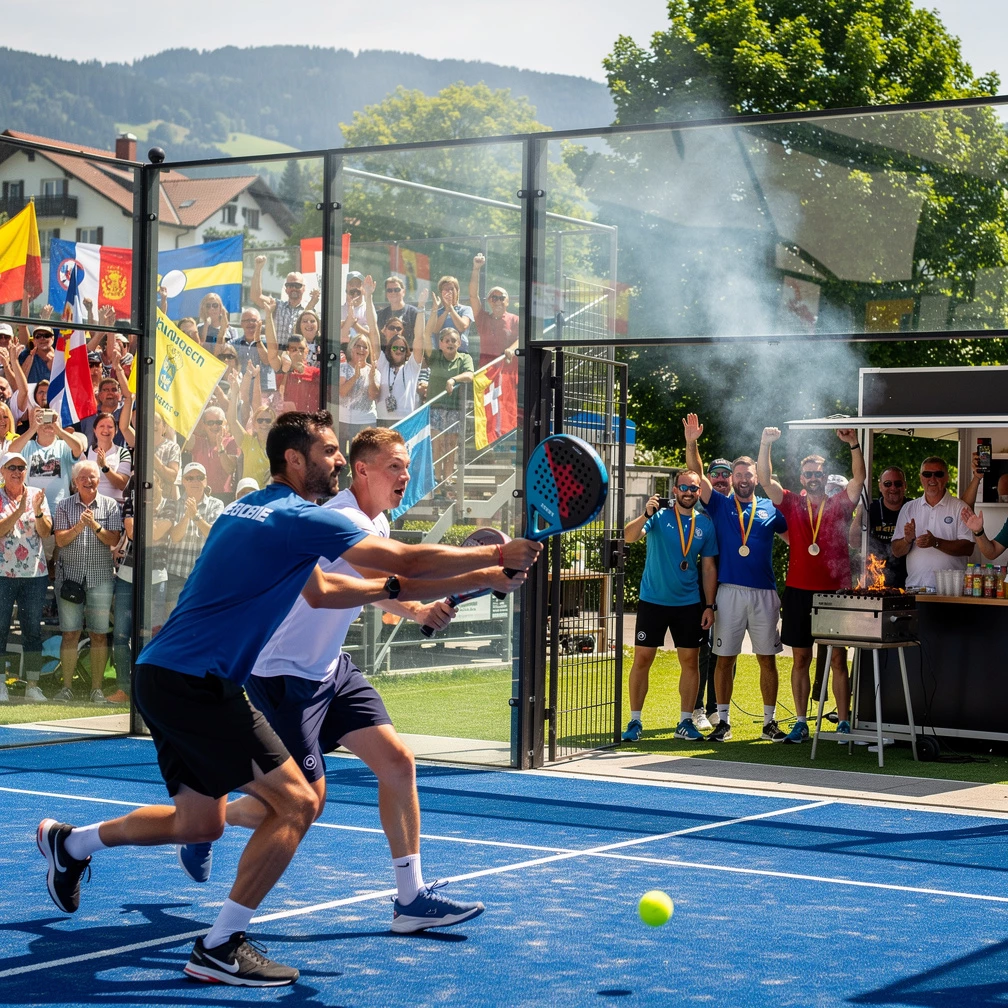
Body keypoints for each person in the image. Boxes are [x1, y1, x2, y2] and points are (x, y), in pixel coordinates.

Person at [37, 410, 540, 987]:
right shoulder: (301, 518)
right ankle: (219, 945)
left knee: (202, 824)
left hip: (173, 674)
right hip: (201, 681)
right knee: (300, 804)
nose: (336, 460)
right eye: (328, 451)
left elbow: (327, 587)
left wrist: (410, 592)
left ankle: (69, 843)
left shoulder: (250, 511)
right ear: (294, 460)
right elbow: (406, 559)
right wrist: (491, 559)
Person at [180, 427, 490, 931]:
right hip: (284, 676)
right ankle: (210, 826)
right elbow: (330, 590)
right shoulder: (338, 519)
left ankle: (409, 899)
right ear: (362, 470)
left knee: (397, 761)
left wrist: (415, 610)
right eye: (394, 466)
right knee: (303, 804)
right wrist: (485, 568)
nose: (405, 475)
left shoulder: (379, 521)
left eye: (406, 466)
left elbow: (374, 590)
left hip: (331, 669)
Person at [684, 414, 787, 742]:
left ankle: (769, 722)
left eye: (747, 475)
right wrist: (691, 442)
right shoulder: (719, 504)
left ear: (756, 478)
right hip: (728, 593)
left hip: (764, 593)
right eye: (738, 474)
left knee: (766, 660)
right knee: (723, 659)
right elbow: (697, 474)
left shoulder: (771, 508)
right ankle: (723, 723)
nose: (742, 479)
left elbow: (798, 542)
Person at [757, 428, 865, 742]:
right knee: (801, 658)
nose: (814, 477)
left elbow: (859, 478)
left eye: (818, 472)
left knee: (837, 658)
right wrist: (766, 444)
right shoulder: (790, 502)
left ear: (825, 475)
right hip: (799, 591)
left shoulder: (840, 503)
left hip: (835, 591)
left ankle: (843, 722)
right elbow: (765, 480)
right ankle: (802, 722)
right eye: (809, 473)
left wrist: (853, 444)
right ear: (802, 478)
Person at [620, 472, 718, 742]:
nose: (689, 492)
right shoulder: (659, 516)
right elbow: (629, 537)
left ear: (699, 492)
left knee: (690, 662)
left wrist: (709, 605)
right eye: (684, 487)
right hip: (653, 600)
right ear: (675, 490)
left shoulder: (705, 524)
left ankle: (685, 722)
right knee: (642, 660)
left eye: (694, 488)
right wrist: (645, 514)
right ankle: (635, 721)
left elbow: (709, 568)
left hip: (688, 603)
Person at [51, 460, 123, 704]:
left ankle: (97, 689)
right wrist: (80, 525)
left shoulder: (111, 505)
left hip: (101, 579)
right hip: (70, 579)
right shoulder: (64, 506)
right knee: (70, 634)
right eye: (84, 477)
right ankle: (67, 688)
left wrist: (94, 525)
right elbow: (60, 541)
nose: (90, 481)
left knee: (99, 635)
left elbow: (113, 539)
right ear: (75, 482)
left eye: (93, 476)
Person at [111, 475, 173, 703]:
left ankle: (148, 689)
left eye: (154, 482)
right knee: (120, 635)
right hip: (126, 577)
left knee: (151, 635)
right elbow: (132, 533)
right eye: (145, 484)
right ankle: (124, 689)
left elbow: (155, 535)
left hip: (156, 578)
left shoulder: (170, 503)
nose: (150, 487)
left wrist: (144, 518)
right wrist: (148, 521)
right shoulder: (130, 502)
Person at [0, 451, 52, 703]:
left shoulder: (37, 495)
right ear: (2, 471)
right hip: (2, 575)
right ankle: (1, 683)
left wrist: (37, 512)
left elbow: (46, 531)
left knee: (32, 630)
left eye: (21, 467)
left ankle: (33, 684)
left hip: (34, 574)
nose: (17, 471)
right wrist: (20, 510)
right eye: (11, 467)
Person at [890, 456, 974, 590]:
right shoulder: (909, 508)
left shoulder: (960, 508)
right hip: (915, 589)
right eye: (927, 474)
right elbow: (896, 551)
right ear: (920, 477)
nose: (932, 479)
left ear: (947, 477)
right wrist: (907, 539)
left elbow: (968, 548)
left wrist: (936, 542)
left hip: (950, 592)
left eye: (938, 474)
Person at [693, 458, 733, 731]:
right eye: (715, 474)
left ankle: (717, 708)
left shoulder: (742, 506)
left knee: (725, 650)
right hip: (700, 585)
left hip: (731, 586)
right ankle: (696, 709)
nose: (720, 479)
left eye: (725, 475)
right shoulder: (698, 508)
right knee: (701, 650)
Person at [164, 463, 224, 615]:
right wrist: (186, 515)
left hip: (204, 575)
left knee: (200, 623)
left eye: (199, 477)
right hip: (176, 575)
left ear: (206, 481)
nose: (195, 482)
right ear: (183, 481)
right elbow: (175, 538)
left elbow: (215, 536)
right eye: (190, 478)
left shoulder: (217, 504)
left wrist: (196, 516)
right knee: (173, 623)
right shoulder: (173, 504)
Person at [364, 278, 424, 426]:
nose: (398, 350)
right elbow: (372, 331)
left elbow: (419, 338)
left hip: (407, 420)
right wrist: (368, 296)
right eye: (395, 348)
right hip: (382, 420)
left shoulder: (412, 366)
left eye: (402, 348)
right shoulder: (383, 363)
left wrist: (421, 308)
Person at [425, 326, 474, 487]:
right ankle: (437, 478)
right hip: (436, 407)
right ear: (441, 344)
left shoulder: (464, 358)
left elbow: (470, 375)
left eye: (454, 340)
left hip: (453, 408)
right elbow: (425, 337)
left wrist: (453, 379)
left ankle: (448, 479)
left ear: (459, 343)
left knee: (450, 444)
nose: (450, 343)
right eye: (447, 340)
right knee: (437, 443)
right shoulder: (435, 357)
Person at [853, 466, 908, 587]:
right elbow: (854, 542)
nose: (893, 488)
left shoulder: (913, 507)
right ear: (880, 486)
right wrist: (859, 515)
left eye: (897, 483)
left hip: (908, 582)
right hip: (874, 581)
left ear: (905, 486)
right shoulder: (871, 509)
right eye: (887, 484)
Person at [251, 256, 318, 349]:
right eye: (290, 285)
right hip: (277, 357)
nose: (293, 288)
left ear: (304, 288)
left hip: (297, 356)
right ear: (286, 289)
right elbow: (256, 296)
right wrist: (258, 268)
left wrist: (311, 303)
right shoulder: (277, 305)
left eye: (297, 285)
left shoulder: (310, 310)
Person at [468, 253, 519, 368]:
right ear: (489, 301)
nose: (498, 301)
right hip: (487, 372)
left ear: (508, 301)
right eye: (494, 298)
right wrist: (476, 269)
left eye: (502, 298)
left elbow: (522, 339)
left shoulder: (515, 319)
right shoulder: (482, 319)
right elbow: (473, 296)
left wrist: (511, 349)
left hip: (507, 371)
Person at [183, 407, 239, 499]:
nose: (214, 426)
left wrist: (220, 446)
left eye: (218, 422)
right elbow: (182, 433)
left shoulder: (231, 442)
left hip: (224, 496)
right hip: (200, 495)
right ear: (204, 425)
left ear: (225, 423)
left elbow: (230, 469)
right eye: (210, 423)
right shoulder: (198, 442)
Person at [337, 334, 380, 448]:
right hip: (343, 420)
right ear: (351, 348)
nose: (361, 349)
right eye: (358, 345)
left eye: (365, 347)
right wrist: (355, 377)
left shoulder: (373, 371)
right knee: (341, 456)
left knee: (362, 455)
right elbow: (342, 392)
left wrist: (371, 377)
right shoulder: (343, 368)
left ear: (368, 351)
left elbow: (373, 396)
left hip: (365, 420)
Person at [85, 412, 132, 504]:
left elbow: (123, 484)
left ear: (116, 431)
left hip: (115, 505)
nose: (105, 430)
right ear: (94, 430)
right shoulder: (86, 453)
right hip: (90, 505)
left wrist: (105, 467)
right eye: (101, 426)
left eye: (110, 427)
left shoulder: (123, 452)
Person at [377, 275, 420, 340]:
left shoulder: (415, 314)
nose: (393, 292)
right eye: (389, 290)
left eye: (397, 290)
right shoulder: (379, 315)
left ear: (404, 292)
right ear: (386, 294)